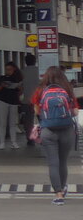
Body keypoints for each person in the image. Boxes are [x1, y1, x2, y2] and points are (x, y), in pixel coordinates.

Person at [33, 65, 79, 205]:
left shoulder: (40, 91)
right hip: (66, 129)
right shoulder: (68, 90)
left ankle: (58, 194)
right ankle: (63, 188)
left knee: (53, 163)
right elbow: (75, 112)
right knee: (63, 162)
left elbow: (37, 111)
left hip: (48, 130)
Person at [0, 62, 22, 149]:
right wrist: (2, 86)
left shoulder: (17, 78)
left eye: (9, 69)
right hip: (3, 101)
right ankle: (2, 142)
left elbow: (21, 91)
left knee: (12, 123)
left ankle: (13, 142)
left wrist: (17, 86)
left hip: (13, 101)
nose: (8, 71)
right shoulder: (2, 78)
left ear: (14, 69)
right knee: (3, 123)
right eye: (7, 69)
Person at [19, 54, 39, 146]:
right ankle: (43, 137)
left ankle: (30, 138)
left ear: (25, 62)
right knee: (42, 119)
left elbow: (19, 86)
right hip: (39, 100)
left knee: (28, 121)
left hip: (27, 100)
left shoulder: (22, 72)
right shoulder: (39, 71)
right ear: (35, 61)